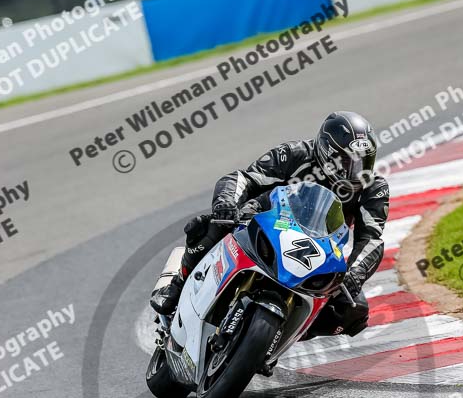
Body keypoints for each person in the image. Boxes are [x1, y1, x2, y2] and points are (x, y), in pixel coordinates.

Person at [150, 111, 389, 339]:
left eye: (363, 162)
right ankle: (176, 286)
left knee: (353, 309)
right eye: (347, 161)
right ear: (327, 153)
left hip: (316, 250)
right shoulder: (294, 154)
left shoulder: (374, 188)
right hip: (265, 223)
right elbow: (244, 178)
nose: (356, 171)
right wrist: (227, 203)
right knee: (206, 227)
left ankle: (281, 334)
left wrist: (356, 273)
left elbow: (372, 238)